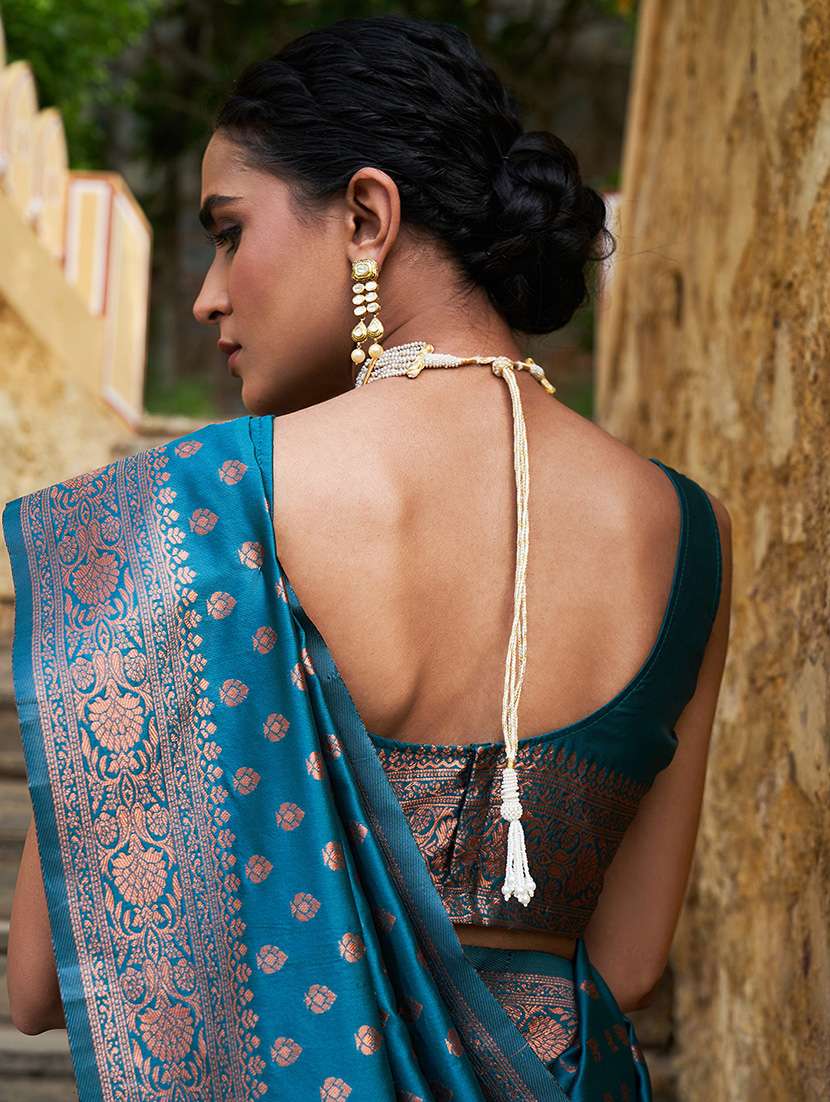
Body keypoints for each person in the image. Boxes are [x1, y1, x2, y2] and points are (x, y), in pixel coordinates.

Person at [3, 14, 732, 1100]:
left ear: (364, 216)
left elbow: (34, 984)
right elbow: (625, 962)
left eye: (229, 231)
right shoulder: (686, 528)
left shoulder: (190, 509)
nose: (207, 293)